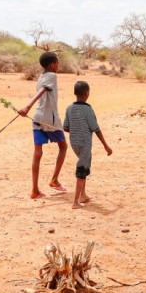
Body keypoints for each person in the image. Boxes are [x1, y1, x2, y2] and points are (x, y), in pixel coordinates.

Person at [18, 52, 68, 199]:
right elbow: (43, 90)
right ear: (52, 65)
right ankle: (54, 180)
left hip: (37, 116)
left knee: (37, 153)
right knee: (63, 147)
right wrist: (27, 106)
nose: (58, 66)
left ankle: (35, 190)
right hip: (49, 118)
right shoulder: (52, 76)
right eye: (57, 63)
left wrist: (29, 109)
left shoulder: (40, 77)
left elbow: (42, 90)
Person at [63, 80, 113, 209]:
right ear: (87, 93)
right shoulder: (88, 110)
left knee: (84, 165)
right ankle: (75, 202)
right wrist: (106, 146)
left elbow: (66, 128)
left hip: (74, 143)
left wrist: (76, 127)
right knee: (82, 169)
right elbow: (96, 129)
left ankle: (83, 195)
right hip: (85, 143)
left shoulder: (69, 108)